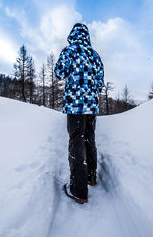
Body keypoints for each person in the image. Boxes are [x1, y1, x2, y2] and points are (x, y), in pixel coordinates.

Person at [54, 23, 104, 204]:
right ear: (87, 36)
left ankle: (78, 191)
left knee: (76, 140)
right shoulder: (95, 55)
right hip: (91, 106)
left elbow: (59, 72)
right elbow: (100, 84)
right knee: (89, 139)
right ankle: (91, 177)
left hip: (75, 105)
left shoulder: (70, 50)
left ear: (72, 34)